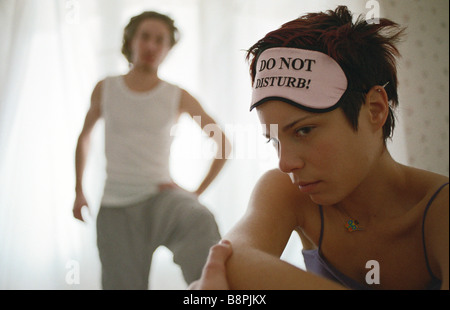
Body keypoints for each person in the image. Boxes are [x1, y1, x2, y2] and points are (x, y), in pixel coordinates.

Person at [190, 6, 449, 290]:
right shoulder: (288, 191)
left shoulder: (439, 211)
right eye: (274, 140)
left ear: (375, 110)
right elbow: (232, 263)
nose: (285, 164)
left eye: (303, 130)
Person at [73, 11, 231, 290]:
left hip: (162, 200)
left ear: (168, 49)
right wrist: (79, 191)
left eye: (160, 40)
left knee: (199, 219)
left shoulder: (177, 95)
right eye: (145, 37)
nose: (151, 46)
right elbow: (84, 138)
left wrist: (194, 193)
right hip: (116, 208)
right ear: (131, 40)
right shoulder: (105, 88)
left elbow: (223, 143)